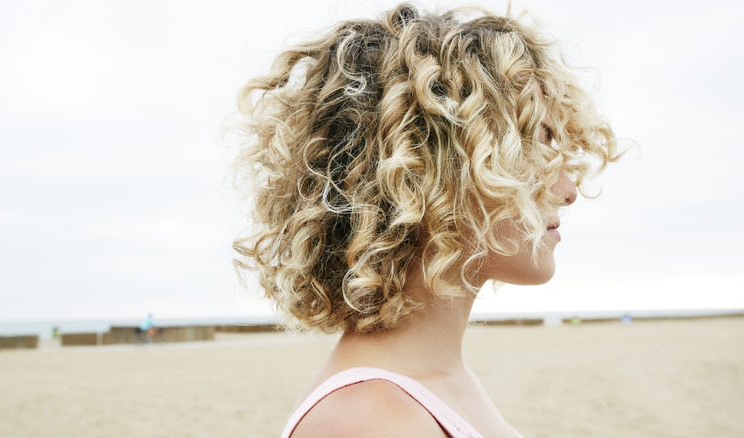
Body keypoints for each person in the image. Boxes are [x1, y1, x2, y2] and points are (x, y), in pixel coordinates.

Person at [233, 3, 618, 437]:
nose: (568, 189)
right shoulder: (368, 418)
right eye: (535, 145)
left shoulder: (435, 384)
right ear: (429, 170)